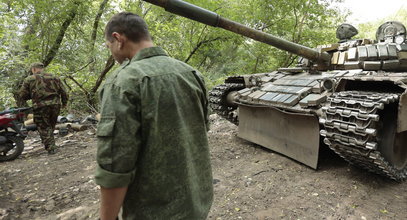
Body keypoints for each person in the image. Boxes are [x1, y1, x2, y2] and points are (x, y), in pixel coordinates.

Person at [95, 12, 213, 220]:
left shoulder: (123, 83)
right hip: (197, 205)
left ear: (118, 39)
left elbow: (116, 167)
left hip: (153, 212)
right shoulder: (191, 74)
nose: (111, 52)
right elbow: (200, 132)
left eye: (109, 45)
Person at [19, 62, 68, 154]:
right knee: (51, 125)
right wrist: (64, 103)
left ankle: (51, 148)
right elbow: (64, 92)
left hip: (40, 106)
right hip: (55, 105)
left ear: (33, 69)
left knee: (44, 126)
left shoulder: (29, 79)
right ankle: (51, 144)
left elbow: (23, 95)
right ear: (42, 68)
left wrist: (33, 95)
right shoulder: (55, 77)